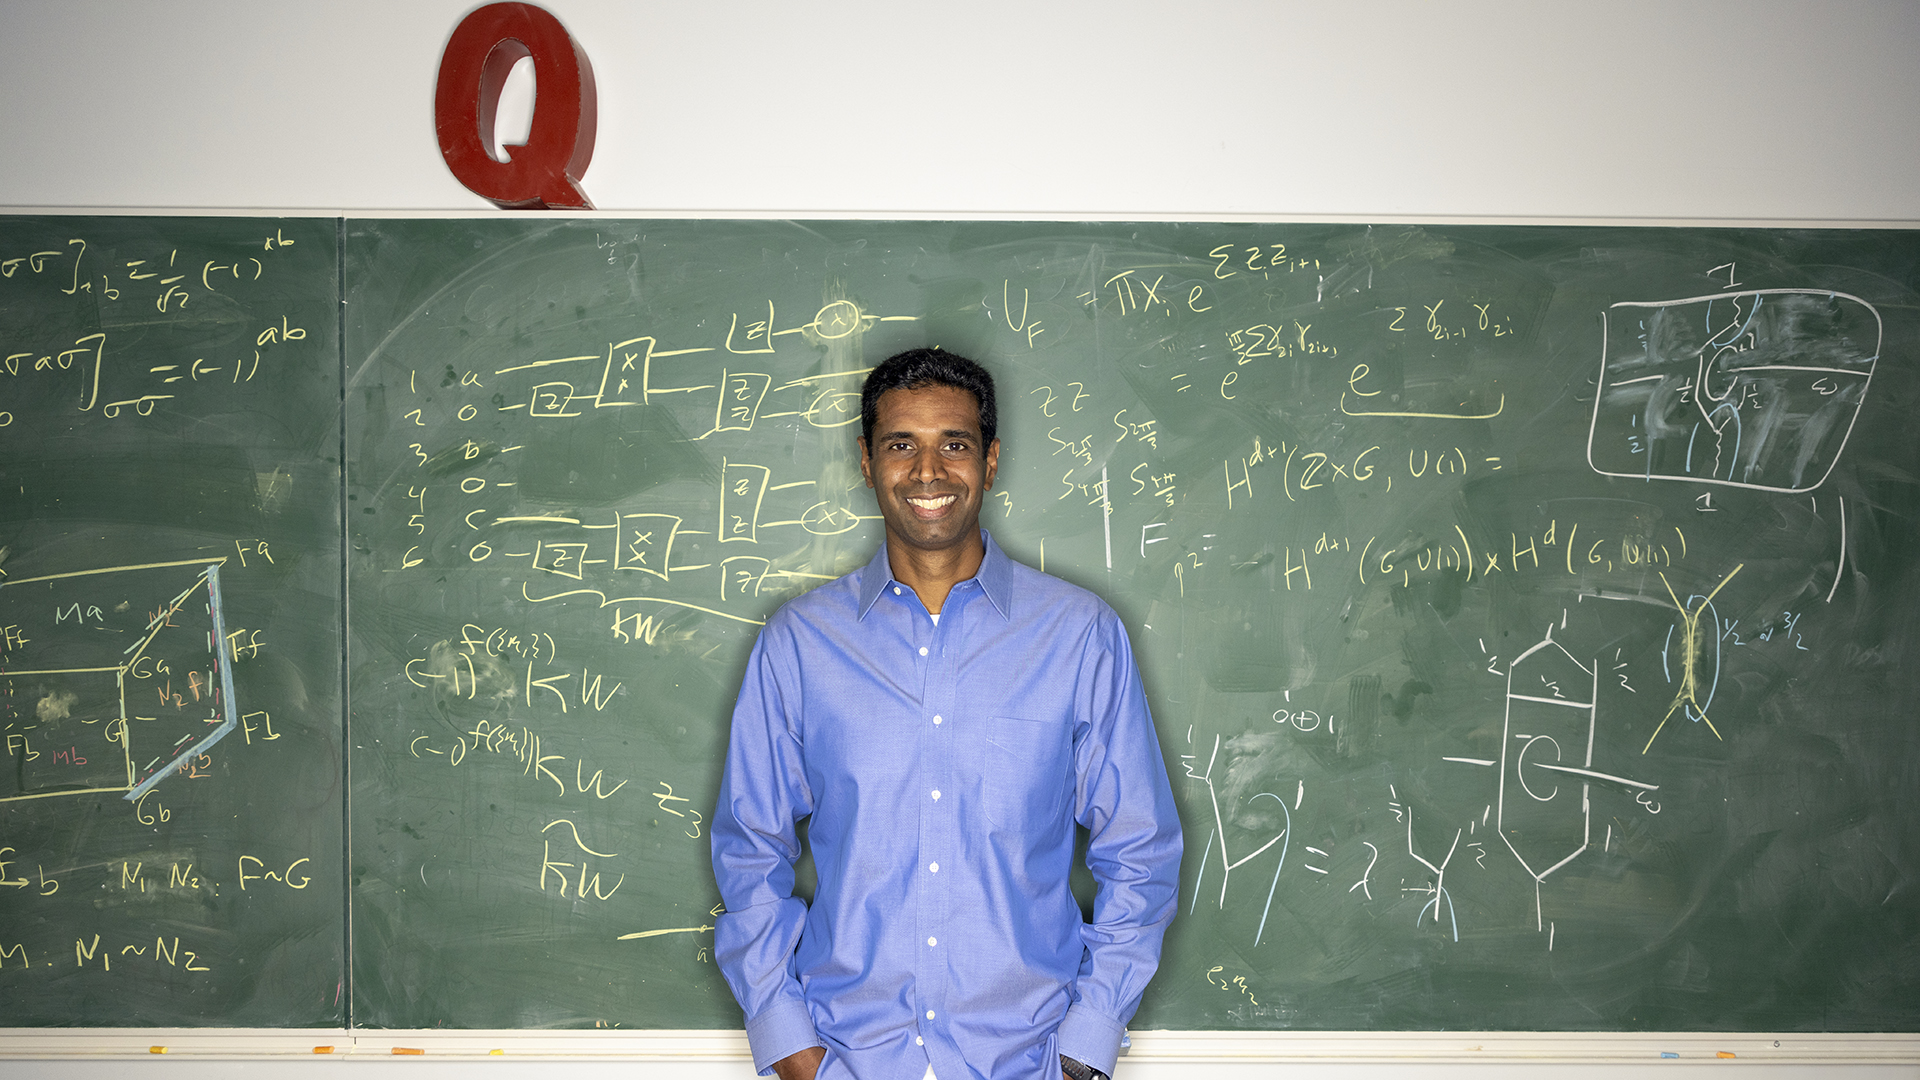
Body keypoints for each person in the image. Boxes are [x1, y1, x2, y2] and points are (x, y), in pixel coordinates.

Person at [711, 348, 1182, 1080]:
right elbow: (749, 852)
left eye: (953, 445)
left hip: (1026, 1058)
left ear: (990, 462)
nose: (928, 472)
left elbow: (1141, 853)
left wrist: (1083, 1049)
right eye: (902, 445)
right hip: (847, 1056)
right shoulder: (800, 644)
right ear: (868, 463)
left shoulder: (1079, 636)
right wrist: (796, 1053)